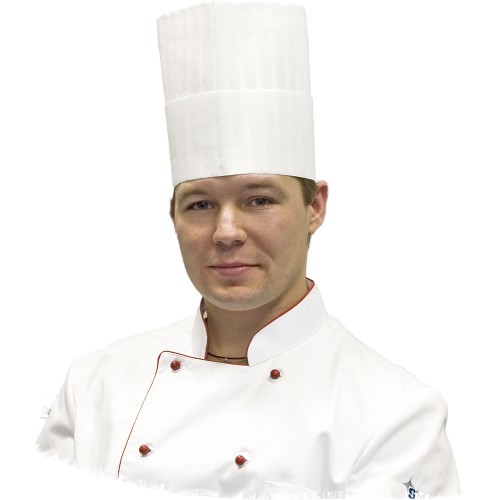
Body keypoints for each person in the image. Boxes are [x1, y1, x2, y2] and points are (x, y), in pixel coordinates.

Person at [36, 2, 460, 498]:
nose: (226, 232)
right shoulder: (94, 384)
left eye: (259, 200)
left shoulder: (396, 416)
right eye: (200, 204)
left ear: (315, 207)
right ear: (173, 216)